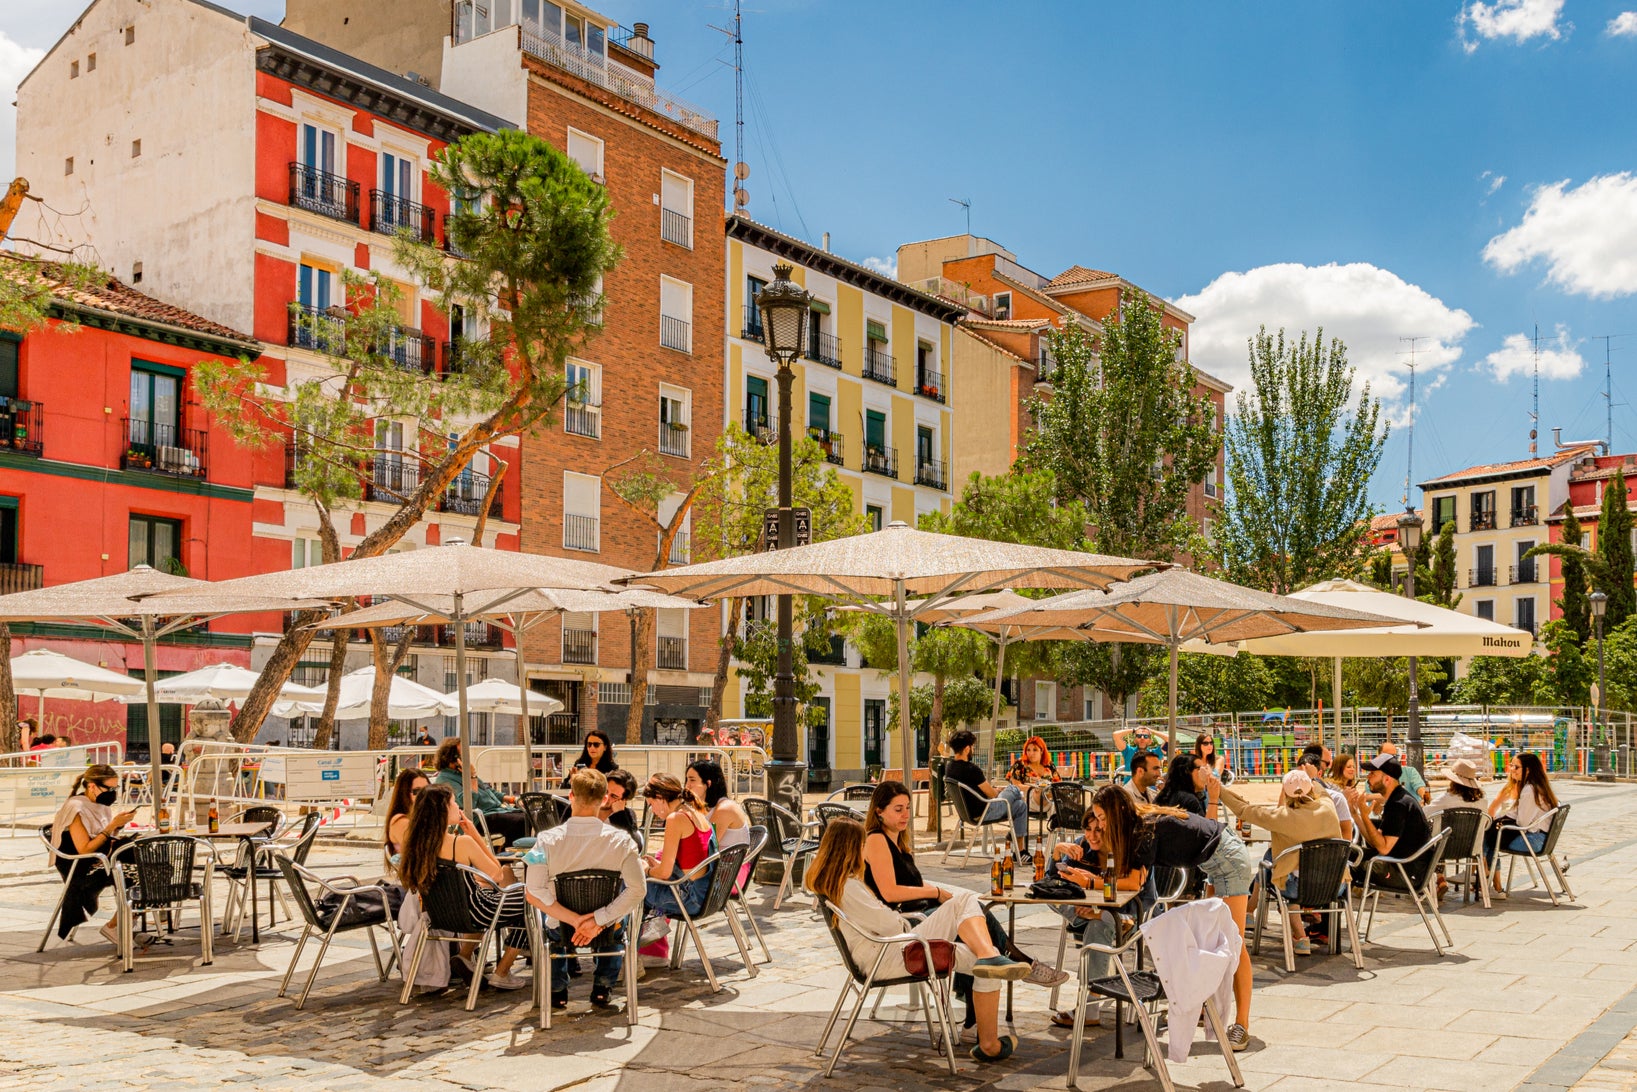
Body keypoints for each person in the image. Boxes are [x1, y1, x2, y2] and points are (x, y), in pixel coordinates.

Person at [806, 818, 1029, 1063]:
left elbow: (882, 921)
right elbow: (888, 924)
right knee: (965, 901)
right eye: (861, 846)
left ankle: (988, 1030)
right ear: (849, 849)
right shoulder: (848, 887)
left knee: (975, 946)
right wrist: (896, 916)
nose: (863, 852)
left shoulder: (837, 884)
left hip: (889, 949)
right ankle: (989, 1032)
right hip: (892, 954)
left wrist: (892, 915)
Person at [861, 780, 1066, 1035]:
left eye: (907, 808)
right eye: (898, 809)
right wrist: (936, 892)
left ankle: (976, 1011)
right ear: (879, 811)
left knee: (973, 922)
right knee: (972, 910)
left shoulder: (898, 842)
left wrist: (940, 896)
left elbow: (909, 882)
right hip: (909, 923)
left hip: (922, 913)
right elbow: (890, 892)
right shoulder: (876, 840)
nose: (905, 815)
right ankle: (1022, 964)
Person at [1094, 782, 1260, 1051]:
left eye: (1102, 818)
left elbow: (1134, 881)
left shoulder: (1143, 829)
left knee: (1234, 943)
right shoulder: (1139, 825)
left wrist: (1089, 882)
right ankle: (1213, 1012)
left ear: (1116, 814)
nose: (1100, 825)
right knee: (1214, 941)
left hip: (1227, 858)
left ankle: (1241, 1025)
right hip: (1215, 858)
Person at [524, 768, 647, 1010]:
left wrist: (575, 920)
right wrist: (598, 921)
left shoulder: (546, 840)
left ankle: (557, 990)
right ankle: (603, 987)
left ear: (571, 796)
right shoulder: (622, 841)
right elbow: (638, 890)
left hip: (560, 927)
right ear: (603, 799)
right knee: (618, 922)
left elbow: (534, 890)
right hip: (607, 929)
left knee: (549, 924)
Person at [397, 784, 529, 989]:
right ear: (442, 810)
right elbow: (496, 873)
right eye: (453, 802)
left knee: (485, 893)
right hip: (477, 913)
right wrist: (475, 834)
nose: (457, 806)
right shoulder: (462, 842)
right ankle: (502, 972)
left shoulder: (417, 845)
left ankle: (465, 956)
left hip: (441, 915)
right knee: (531, 901)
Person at [1046, 805, 1149, 1029]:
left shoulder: (1128, 851)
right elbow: (1049, 884)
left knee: (1099, 925)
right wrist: (1057, 853)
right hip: (1089, 913)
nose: (1092, 835)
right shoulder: (1082, 847)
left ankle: (1089, 1008)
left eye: (1098, 830)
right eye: (1088, 829)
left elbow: (1140, 894)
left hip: (1131, 914)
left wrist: (1100, 907)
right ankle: (1090, 1008)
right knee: (1050, 897)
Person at [1220, 769, 1342, 957]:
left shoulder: (1282, 817)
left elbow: (1243, 810)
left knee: (1276, 869)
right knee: (1279, 863)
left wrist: (1218, 790)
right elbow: (1321, 791)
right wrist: (1310, 777)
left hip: (1297, 888)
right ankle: (1293, 932)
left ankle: (1299, 936)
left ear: (1285, 792)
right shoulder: (1327, 806)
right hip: (1335, 886)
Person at [48, 764, 138, 944]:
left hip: (100, 859)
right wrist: (112, 826)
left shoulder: (100, 803)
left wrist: (118, 826)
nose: (112, 792)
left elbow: (103, 838)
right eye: (109, 788)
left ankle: (131, 922)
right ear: (92, 786)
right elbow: (85, 849)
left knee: (154, 865)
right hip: (81, 867)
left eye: (115, 788)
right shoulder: (76, 807)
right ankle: (114, 927)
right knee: (142, 875)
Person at [641, 772, 716, 920]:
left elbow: (664, 874)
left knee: (630, 885)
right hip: (707, 893)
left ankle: (625, 940)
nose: (653, 811)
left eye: (651, 804)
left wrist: (646, 869)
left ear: (660, 799)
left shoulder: (675, 819)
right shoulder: (695, 812)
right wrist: (657, 866)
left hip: (690, 899)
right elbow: (690, 860)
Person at [1351, 754, 1433, 888]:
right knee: (1344, 852)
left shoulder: (1399, 804)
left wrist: (1365, 816)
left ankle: (1326, 904)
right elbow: (1375, 841)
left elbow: (1383, 848)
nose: (1368, 777)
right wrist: (1355, 814)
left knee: (1343, 866)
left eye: (1373, 773)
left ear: (1387, 779)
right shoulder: (1397, 799)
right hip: (1398, 864)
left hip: (1403, 872)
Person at [430, 738, 529, 846]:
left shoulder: (462, 773)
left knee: (532, 816)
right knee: (521, 822)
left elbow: (488, 791)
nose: (467, 758)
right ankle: (505, 857)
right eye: (463, 754)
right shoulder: (445, 779)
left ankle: (511, 852)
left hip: (497, 810)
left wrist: (513, 799)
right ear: (453, 759)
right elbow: (468, 803)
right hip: (480, 817)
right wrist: (472, 777)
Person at [1485, 752, 1558, 896]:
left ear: (1528, 770)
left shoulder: (1529, 790)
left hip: (1533, 841)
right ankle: (1487, 880)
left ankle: (1490, 882)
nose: (1511, 769)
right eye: (1511, 765)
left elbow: (1523, 822)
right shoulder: (1536, 786)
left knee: (1488, 838)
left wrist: (1502, 817)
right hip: (1542, 838)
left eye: (1516, 767)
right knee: (1491, 836)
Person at [942, 729, 1028, 849]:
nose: (973, 750)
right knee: (1014, 789)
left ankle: (1020, 850)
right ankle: (1014, 839)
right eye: (973, 747)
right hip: (985, 812)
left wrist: (997, 791)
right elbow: (992, 794)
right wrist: (999, 791)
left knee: (1021, 806)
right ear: (967, 749)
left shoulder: (950, 767)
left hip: (966, 814)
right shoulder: (972, 769)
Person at [686, 760, 749, 851]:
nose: (687, 785)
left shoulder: (726, 809)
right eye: (687, 779)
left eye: (692, 780)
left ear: (708, 783)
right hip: (712, 862)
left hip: (728, 864)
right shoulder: (705, 806)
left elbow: (707, 844)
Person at [1297, 750, 1354, 842]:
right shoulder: (1293, 796)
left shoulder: (1336, 797)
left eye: (1307, 774)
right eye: (1299, 774)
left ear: (1319, 774)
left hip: (1328, 852)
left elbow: (1347, 835)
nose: (1303, 779)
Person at [383, 767, 430, 864]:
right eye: (417, 791)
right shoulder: (400, 821)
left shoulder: (422, 817)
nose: (424, 796)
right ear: (404, 793)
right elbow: (420, 852)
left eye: (428, 790)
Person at [1006, 735, 1060, 810]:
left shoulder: (1049, 765)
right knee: (1041, 792)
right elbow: (1016, 786)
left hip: (1050, 796)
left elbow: (1058, 783)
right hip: (1029, 797)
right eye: (1028, 750)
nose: (1031, 753)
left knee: (1074, 792)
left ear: (1041, 751)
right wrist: (1035, 788)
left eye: (1035, 750)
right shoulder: (1020, 764)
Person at [1153, 752, 1212, 818]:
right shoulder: (1188, 800)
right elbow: (1210, 827)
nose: (1205, 774)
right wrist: (1213, 800)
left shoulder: (1166, 794)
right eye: (1200, 769)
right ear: (1187, 772)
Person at [600, 769, 640, 839]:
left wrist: (619, 815)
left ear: (624, 800)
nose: (606, 797)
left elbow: (635, 844)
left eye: (614, 796)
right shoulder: (585, 808)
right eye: (605, 791)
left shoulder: (626, 815)